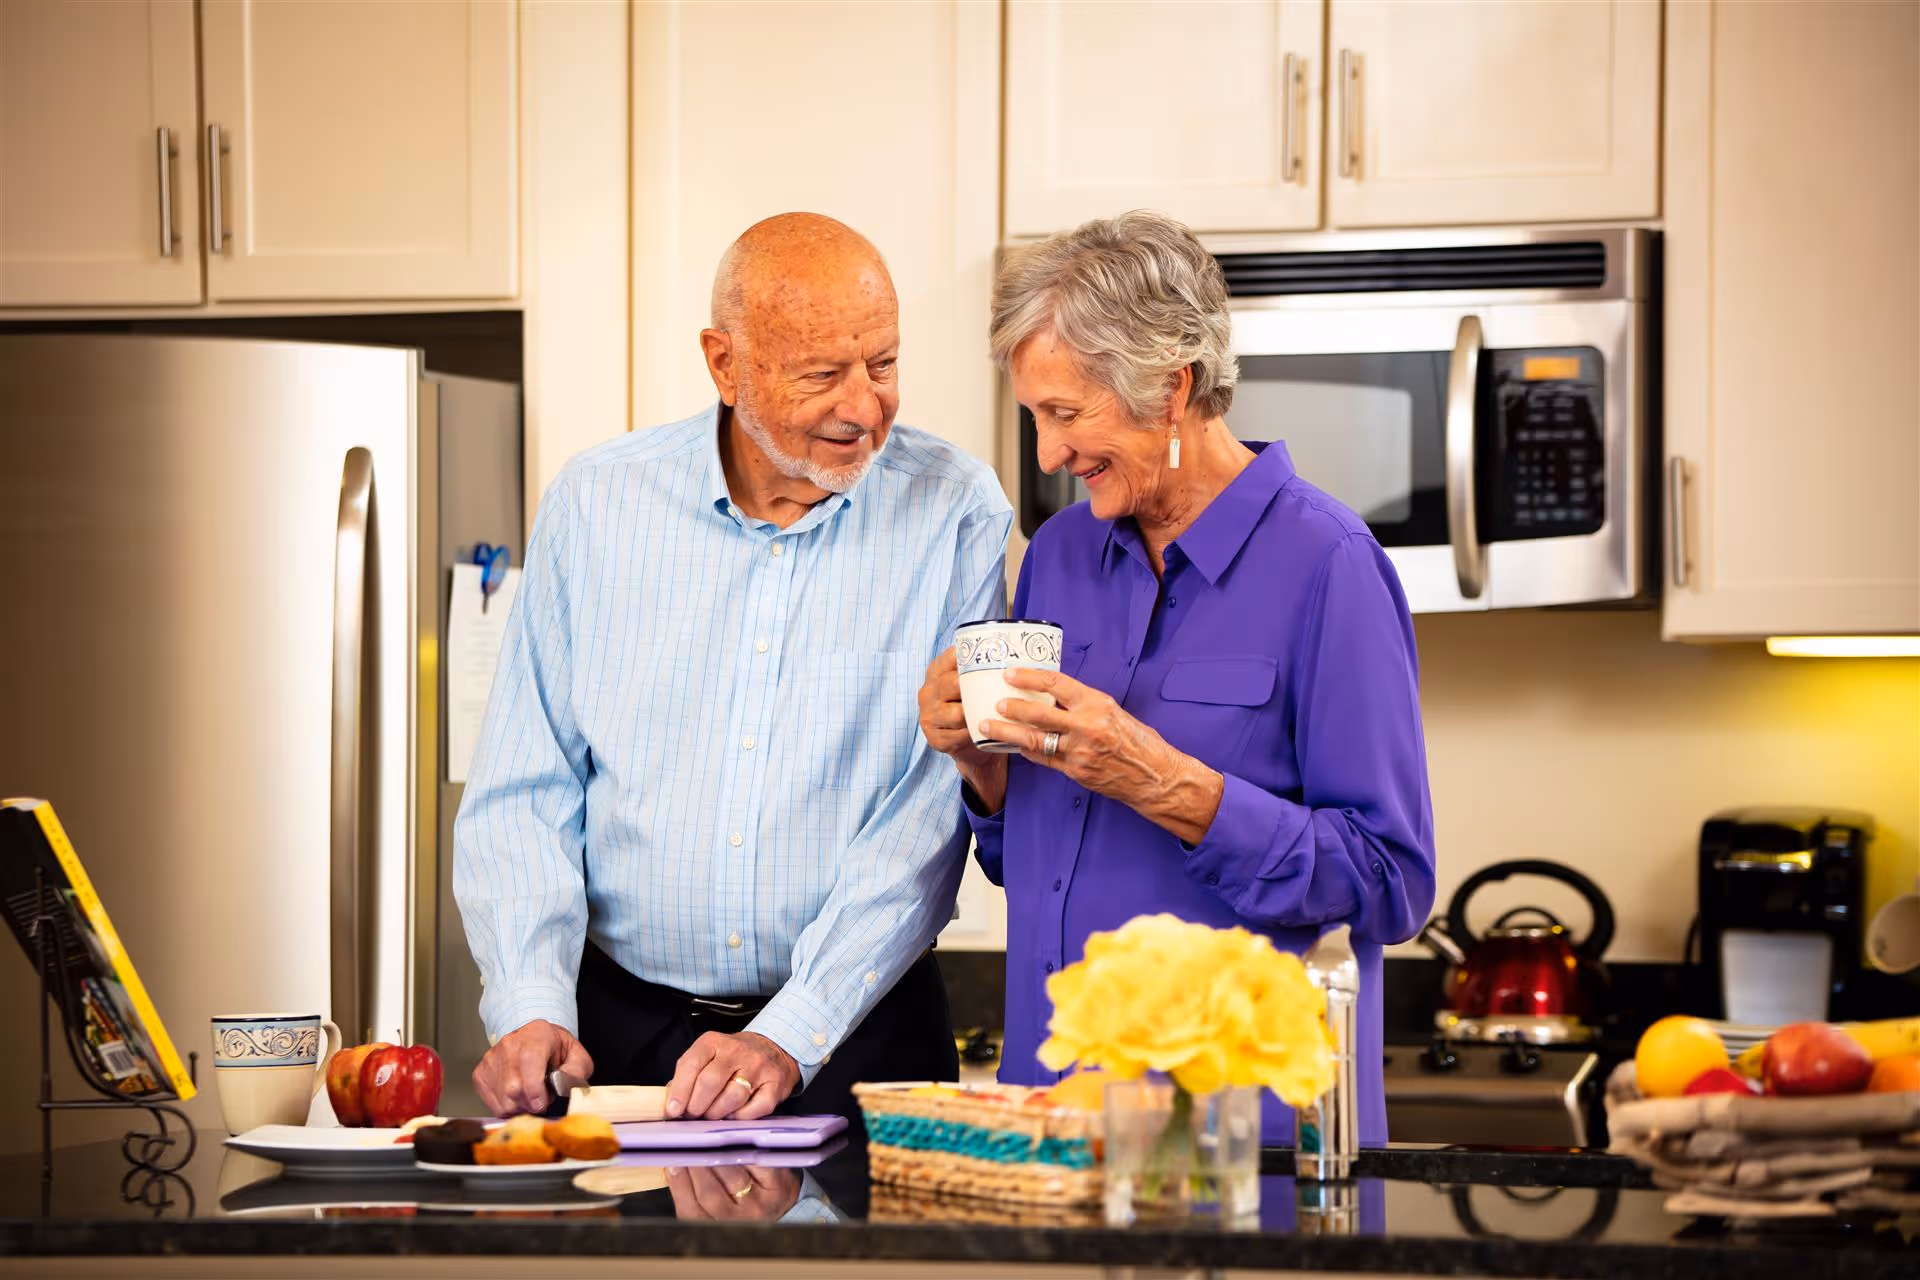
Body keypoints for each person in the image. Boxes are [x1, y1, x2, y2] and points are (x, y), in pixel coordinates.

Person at [457, 212, 1012, 1123]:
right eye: (823, 374)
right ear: (725, 364)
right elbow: (527, 783)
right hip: (621, 1038)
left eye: (883, 364)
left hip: (859, 1033)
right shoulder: (598, 505)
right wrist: (529, 1000)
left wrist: (791, 1030)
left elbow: (927, 812)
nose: (865, 406)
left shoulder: (955, 510)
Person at [916, 210, 1435, 1145]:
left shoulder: (1330, 565)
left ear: (1170, 387)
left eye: (1066, 414)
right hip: (1059, 1124)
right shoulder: (1061, 555)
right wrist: (983, 772)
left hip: (1242, 1138)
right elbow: (1028, 866)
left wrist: (1161, 779)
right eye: (1036, 415)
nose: (1046, 454)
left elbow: (1389, 881)